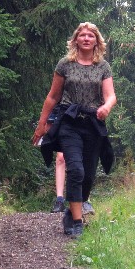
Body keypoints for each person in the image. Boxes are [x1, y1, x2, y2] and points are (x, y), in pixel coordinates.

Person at [32, 22, 116, 239]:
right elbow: (52, 96)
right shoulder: (65, 65)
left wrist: (106, 107)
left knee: (88, 175)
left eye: (91, 36)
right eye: (82, 35)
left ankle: (72, 211)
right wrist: (42, 124)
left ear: (97, 41)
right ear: (76, 40)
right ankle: (77, 222)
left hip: (93, 124)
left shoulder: (103, 67)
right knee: (76, 170)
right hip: (69, 122)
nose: (86, 39)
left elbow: (110, 95)